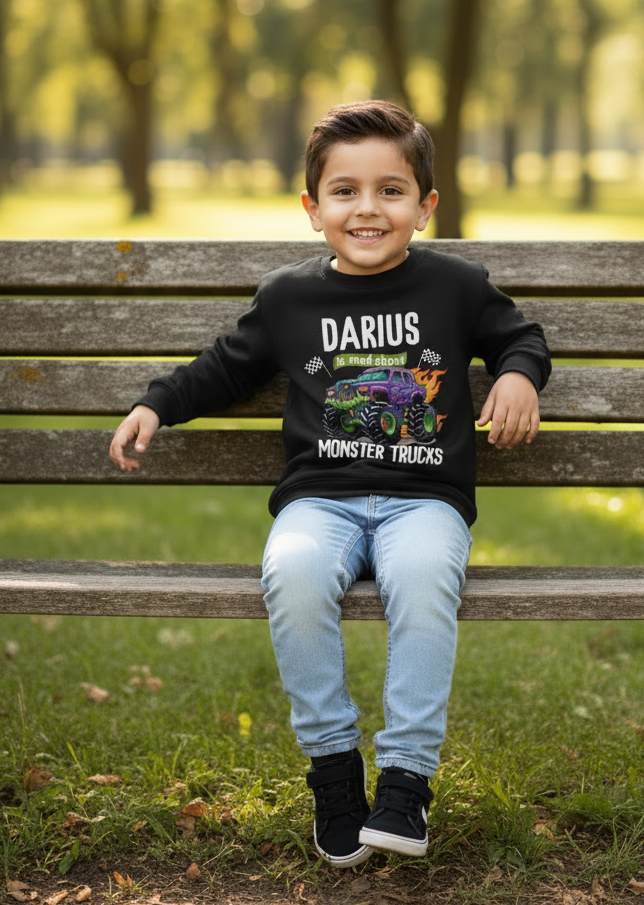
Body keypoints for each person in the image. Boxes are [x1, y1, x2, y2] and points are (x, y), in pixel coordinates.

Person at [109, 100, 551, 869]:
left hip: (426, 499)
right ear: (313, 209)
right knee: (293, 571)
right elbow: (224, 368)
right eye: (345, 191)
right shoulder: (289, 297)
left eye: (390, 190)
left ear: (425, 205)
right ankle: (334, 768)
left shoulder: (455, 285)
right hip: (321, 498)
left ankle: (406, 779)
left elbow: (521, 337)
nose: (367, 208)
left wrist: (517, 375)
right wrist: (156, 403)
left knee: (425, 577)